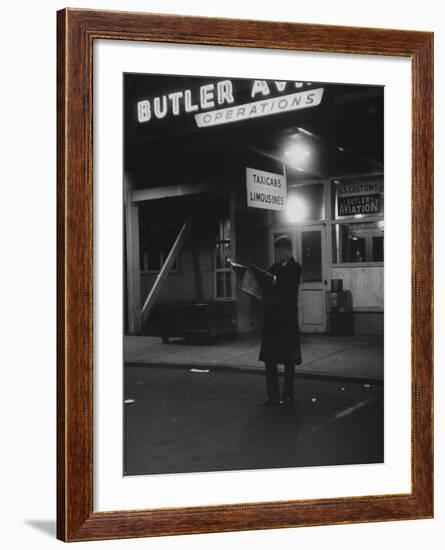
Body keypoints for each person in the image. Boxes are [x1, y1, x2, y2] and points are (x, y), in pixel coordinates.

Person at [257, 235, 302, 407]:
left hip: (287, 321)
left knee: (289, 361)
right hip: (272, 321)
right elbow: (266, 285)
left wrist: (274, 280)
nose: (278, 254)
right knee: (270, 360)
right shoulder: (273, 268)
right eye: (276, 251)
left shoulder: (295, 268)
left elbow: (289, 289)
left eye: (281, 251)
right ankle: (272, 395)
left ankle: (288, 395)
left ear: (289, 251)